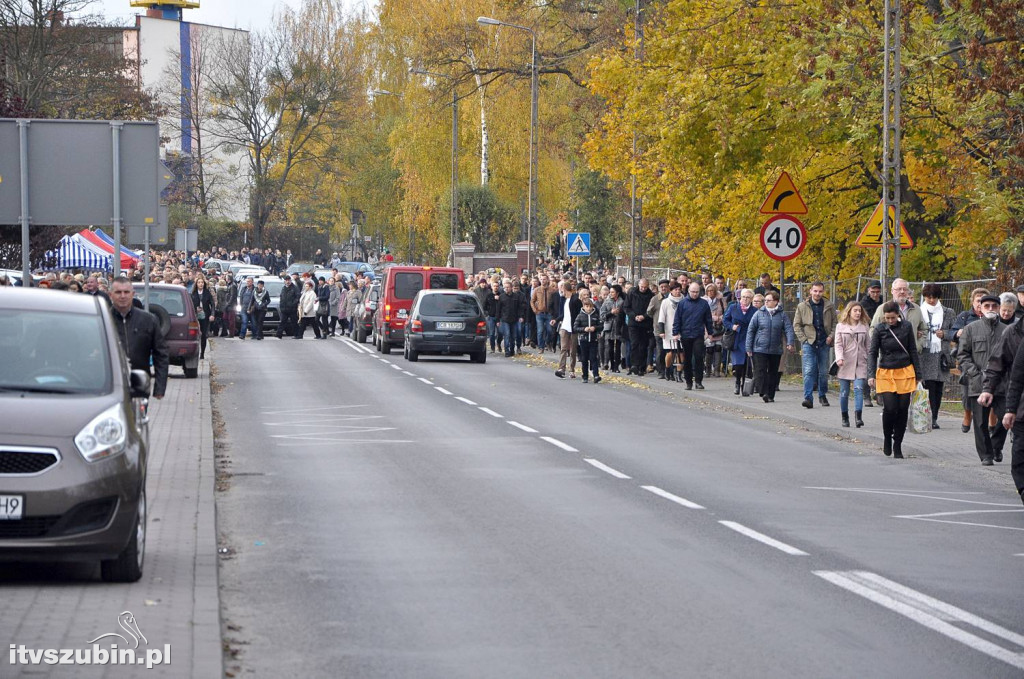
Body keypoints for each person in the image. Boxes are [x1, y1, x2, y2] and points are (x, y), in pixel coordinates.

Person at [957, 295, 1007, 465]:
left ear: (999, 308)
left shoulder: (1006, 330)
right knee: (980, 422)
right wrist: (975, 374)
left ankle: (996, 446)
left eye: (994, 305)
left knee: (1006, 417)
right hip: (977, 382)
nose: (991, 308)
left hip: (1001, 383)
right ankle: (986, 455)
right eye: (987, 305)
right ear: (980, 307)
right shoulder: (971, 329)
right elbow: (962, 355)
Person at [868, 301, 921, 458]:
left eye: (892, 317)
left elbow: (912, 349)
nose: (890, 321)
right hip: (885, 372)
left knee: (903, 409)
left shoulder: (906, 327)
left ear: (898, 314)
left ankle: (898, 443)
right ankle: (887, 438)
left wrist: (919, 374)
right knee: (890, 409)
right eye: (887, 318)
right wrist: (871, 375)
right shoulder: (879, 329)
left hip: (905, 371)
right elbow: (872, 352)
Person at [109, 277, 169, 399]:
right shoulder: (104, 319)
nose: (122, 296)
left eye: (126, 292)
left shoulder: (148, 320)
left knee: (137, 417)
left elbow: (161, 353)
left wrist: (160, 387)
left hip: (139, 384)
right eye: (118, 292)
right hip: (110, 386)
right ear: (110, 295)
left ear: (133, 294)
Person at [745, 290, 795, 403]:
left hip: (775, 348)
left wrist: (790, 343)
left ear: (776, 302)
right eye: (765, 300)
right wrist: (748, 347)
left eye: (769, 300)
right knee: (760, 370)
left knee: (773, 372)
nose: (766, 302)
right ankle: (762, 391)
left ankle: (770, 395)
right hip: (760, 348)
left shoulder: (782, 315)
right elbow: (751, 330)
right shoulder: (759, 314)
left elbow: (788, 329)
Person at [951, 287, 989, 433]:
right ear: (973, 302)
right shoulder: (965, 316)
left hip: (987, 359)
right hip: (968, 359)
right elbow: (951, 332)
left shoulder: (991, 318)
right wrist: (957, 333)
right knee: (967, 392)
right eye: (978, 300)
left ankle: (991, 421)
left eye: (983, 301)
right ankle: (967, 415)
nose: (980, 304)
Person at [794, 281, 838, 408]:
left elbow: (835, 323)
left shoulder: (829, 306)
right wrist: (803, 339)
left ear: (823, 292)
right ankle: (808, 398)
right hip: (809, 342)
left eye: (820, 291)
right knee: (809, 370)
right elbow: (796, 325)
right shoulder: (803, 306)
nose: (817, 294)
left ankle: (822, 394)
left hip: (824, 342)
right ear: (811, 291)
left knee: (823, 371)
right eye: (815, 291)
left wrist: (831, 336)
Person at [918, 283, 953, 428]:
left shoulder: (948, 312)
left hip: (940, 354)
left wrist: (944, 334)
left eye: (934, 297)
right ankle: (928, 417)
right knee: (928, 386)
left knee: (938, 388)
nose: (931, 300)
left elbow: (955, 332)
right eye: (928, 297)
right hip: (924, 353)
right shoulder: (918, 311)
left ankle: (935, 416)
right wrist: (917, 333)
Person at [672, 283, 714, 390]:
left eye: (696, 292)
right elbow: (677, 319)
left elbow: (708, 319)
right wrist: (675, 333)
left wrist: (710, 333)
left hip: (698, 334)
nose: (694, 294)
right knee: (687, 359)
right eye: (692, 292)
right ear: (688, 291)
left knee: (699, 357)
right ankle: (688, 382)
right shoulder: (682, 303)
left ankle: (699, 381)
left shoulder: (704, 304)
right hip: (685, 334)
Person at [834, 301, 870, 428]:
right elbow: (838, 344)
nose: (858, 313)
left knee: (859, 389)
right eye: (855, 310)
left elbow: (868, 346)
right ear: (849, 312)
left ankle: (858, 417)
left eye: (859, 311)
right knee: (844, 392)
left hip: (861, 362)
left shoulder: (864, 326)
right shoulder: (841, 326)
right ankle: (845, 417)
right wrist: (839, 358)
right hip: (845, 362)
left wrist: (869, 360)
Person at [724, 289, 757, 395]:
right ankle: (737, 382)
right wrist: (732, 326)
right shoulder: (733, 307)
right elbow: (725, 320)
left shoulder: (755, 310)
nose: (745, 299)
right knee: (738, 364)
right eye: (743, 297)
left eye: (748, 297)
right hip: (737, 338)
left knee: (747, 364)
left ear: (751, 299)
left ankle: (744, 385)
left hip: (749, 338)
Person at [623, 278, 655, 376]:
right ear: (639, 285)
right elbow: (626, 307)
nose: (643, 289)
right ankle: (634, 365)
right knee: (634, 344)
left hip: (645, 323)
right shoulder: (632, 292)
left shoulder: (651, 295)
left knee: (643, 345)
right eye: (642, 287)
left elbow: (651, 310)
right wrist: (634, 316)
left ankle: (642, 366)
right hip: (633, 322)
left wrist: (644, 316)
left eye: (645, 287)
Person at [656, 282, 684, 381]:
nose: (677, 291)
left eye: (679, 289)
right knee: (670, 352)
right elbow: (661, 318)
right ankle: (668, 369)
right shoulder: (666, 302)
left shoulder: (684, 300)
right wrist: (662, 331)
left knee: (681, 353)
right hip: (669, 331)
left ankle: (679, 374)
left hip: (681, 331)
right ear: (671, 290)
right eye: (675, 289)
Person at [554, 280, 582, 379]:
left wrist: (578, 326)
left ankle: (572, 369)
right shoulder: (565, 300)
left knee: (573, 349)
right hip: (565, 326)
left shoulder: (575, 300)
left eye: (562, 290)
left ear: (565, 289)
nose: (561, 292)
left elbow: (579, 314)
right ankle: (561, 369)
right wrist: (556, 320)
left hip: (573, 327)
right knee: (563, 348)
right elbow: (564, 314)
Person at [574, 296, 602, 384]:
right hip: (583, 340)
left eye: (590, 306)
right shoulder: (580, 316)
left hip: (593, 340)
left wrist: (595, 328)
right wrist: (584, 329)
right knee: (584, 359)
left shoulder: (596, 316)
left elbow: (601, 326)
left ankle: (596, 375)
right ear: (583, 307)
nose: (589, 308)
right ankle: (585, 376)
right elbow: (575, 327)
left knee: (594, 358)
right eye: (587, 306)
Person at [601, 284, 626, 373]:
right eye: (610, 292)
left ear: (617, 293)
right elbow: (602, 315)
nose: (610, 294)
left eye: (612, 292)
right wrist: (611, 313)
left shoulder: (622, 302)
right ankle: (611, 364)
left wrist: (620, 313)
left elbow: (625, 314)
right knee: (610, 347)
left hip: (619, 327)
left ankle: (616, 366)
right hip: (609, 327)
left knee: (618, 347)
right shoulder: (607, 302)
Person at [190, 274, 214, 358]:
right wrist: (195, 309)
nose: (201, 284)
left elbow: (212, 304)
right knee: (194, 334)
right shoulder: (193, 294)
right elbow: (190, 305)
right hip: (195, 316)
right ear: (196, 284)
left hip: (205, 316)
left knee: (204, 334)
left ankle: (202, 353)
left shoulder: (207, 293)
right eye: (199, 282)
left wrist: (212, 314)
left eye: (202, 282)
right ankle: (194, 351)